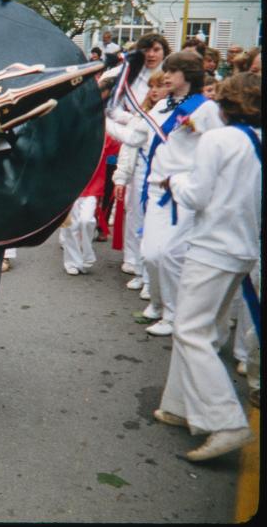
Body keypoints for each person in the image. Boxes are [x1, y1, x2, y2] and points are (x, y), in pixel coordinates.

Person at [154, 71, 260, 461]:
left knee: (191, 331)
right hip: (242, 247)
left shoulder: (218, 139)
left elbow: (196, 197)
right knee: (207, 330)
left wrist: (174, 182)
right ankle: (181, 406)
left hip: (213, 246)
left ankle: (225, 420)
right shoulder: (257, 141)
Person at [139, 51, 224, 336]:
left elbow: (218, 148)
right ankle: (158, 302)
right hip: (155, 187)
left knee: (170, 254)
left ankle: (173, 315)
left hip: (183, 192)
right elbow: (137, 134)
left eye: (172, 71)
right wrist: (105, 121)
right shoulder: (162, 105)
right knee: (150, 255)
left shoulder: (205, 109)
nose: (166, 75)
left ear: (187, 74)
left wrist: (199, 180)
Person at [109, 70, 170, 302]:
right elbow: (128, 146)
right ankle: (137, 267)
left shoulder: (167, 115)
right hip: (139, 177)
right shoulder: (143, 114)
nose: (154, 90)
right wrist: (122, 177)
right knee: (135, 222)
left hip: (158, 179)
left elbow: (129, 136)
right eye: (152, 86)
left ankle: (149, 278)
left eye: (160, 86)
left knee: (151, 227)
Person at [60, 131, 119, 275]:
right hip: (70, 186)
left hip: (93, 187)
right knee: (70, 225)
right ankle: (71, 261)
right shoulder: (69, 130)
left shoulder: (105, 133)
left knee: (86, 221)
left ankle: (87, 254)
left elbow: (121, 145)